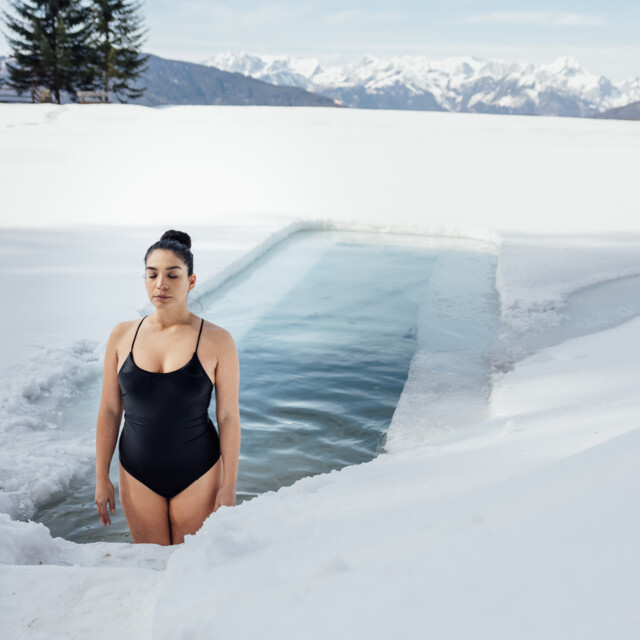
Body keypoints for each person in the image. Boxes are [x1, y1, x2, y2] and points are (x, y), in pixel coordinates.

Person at [94, 229, 240, 545]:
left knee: (191, 572)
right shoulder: (122, 335)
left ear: (190, 281)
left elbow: (228, 416)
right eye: (152, 274)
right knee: (150, 569)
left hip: (198, 470)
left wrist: (229, 485)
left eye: (173, 275)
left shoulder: (218, 340)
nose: (161, 284)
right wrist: (101, 477)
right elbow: (109, 409)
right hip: (137, 472)